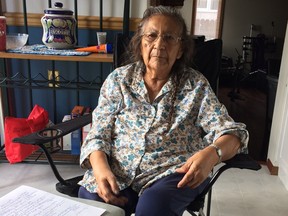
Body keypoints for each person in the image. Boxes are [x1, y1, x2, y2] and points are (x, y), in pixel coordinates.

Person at [78, 5, 248, 216]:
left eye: (169, 38)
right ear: (141, 43)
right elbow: (98, 133)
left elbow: (233, 133)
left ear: (181, 50)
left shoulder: (195, 86)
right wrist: (100, 169)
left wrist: (212, 154)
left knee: (153, 207)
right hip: (119, 170)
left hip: (172, 173)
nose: (159, 44)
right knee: (92, 201)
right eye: (151, 35)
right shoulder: (119, 80)